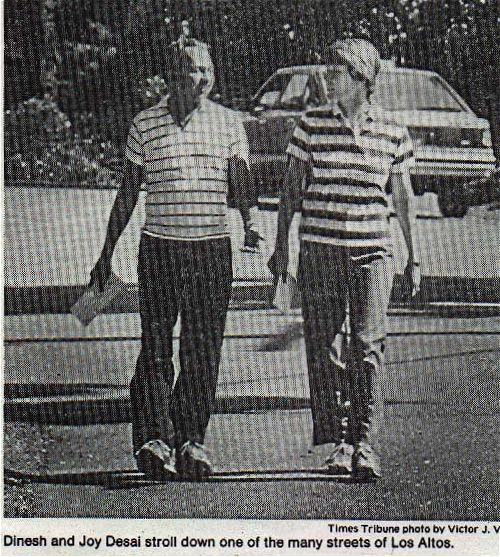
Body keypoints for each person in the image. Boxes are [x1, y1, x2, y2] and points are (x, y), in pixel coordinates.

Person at [90, 39, 252, 480]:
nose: (198, 79)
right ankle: (153, 439)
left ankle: (191, 441)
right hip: (159, 247)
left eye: (205, 70)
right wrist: (106, 253)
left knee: (202, 350)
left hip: (211, 251)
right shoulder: (145, 125)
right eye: (189, 70)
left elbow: (240, 179)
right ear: (170, 76)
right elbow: (128, 192)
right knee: (156, 346)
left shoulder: (229, 124)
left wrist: (251, 221)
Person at [268, 39, 421, 480]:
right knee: (324, 348)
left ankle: (363, 441)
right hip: (319, 251)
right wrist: (282, 248)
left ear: (361, 78)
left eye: (337, 71)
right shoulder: (310, 125)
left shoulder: (392, 130)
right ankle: (338, 441)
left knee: (368, 346)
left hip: (373, 253)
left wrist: (414, 256)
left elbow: (403, 199)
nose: (329, 78)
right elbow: (290, 191)